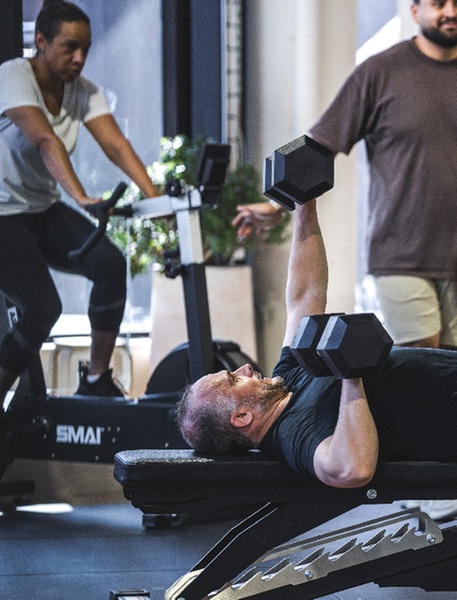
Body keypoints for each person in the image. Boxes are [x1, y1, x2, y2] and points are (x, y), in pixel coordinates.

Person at [0, 0, 160, 461]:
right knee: (43, 307)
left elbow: (115, 143)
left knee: (109, 265)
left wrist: (157, 198)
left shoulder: (82, 91)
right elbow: (44, 139)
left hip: (36, 209)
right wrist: (81, 196)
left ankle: (96, 380)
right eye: (69, 47)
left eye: (86, 48)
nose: (79, 58)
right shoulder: (12, 77)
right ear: (40, 41)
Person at [178, 201, 457, 513]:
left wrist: (304, 206)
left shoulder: (287, 377)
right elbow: (351, 470)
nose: (243, 368)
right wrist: (351, 376)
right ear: (242, 417)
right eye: (233, 380)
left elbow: (304, 295)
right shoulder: (294, 433)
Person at [235, 0, 457, 350]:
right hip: (401, 253)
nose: (451, 12)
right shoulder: (381, 72)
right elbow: (320, 145)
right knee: (424, 361)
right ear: (415, 11)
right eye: (438, 3)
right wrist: (277, 204)